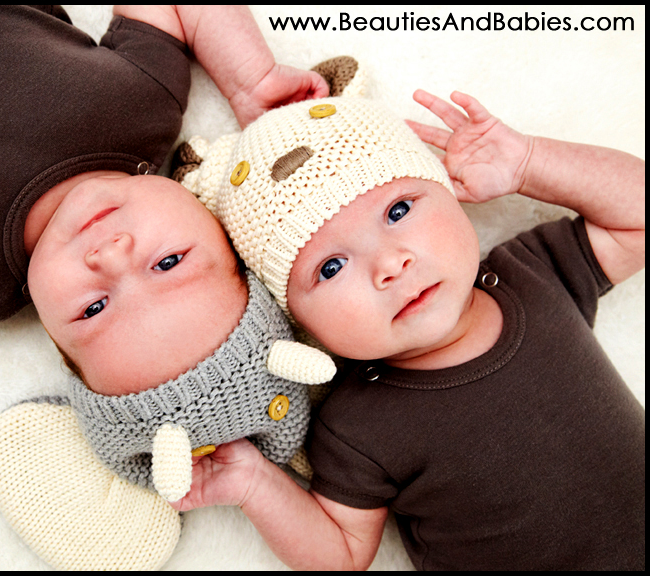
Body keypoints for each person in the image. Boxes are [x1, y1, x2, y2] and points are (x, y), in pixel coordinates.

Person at [172, 73, 645, 570]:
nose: (389, 264)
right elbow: (342, 555)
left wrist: (527, 163)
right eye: (331, 268)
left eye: (398, 210)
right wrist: (253, 483)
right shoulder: (357, 424)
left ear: (446, 191)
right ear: (301, 322)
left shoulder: (534, 274)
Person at [0, 5, 328, 395]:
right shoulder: (143, 106)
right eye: (168, 263)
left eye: (94, 308)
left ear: (51, 330)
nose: (112, 255)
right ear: (214, 220)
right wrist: (249, 78)